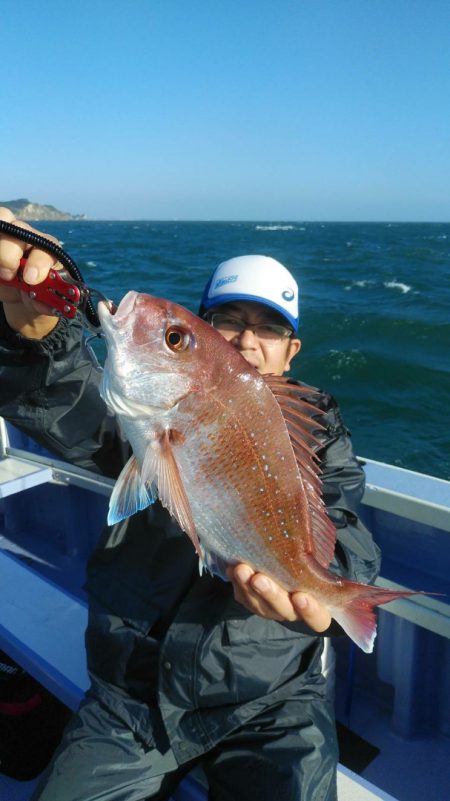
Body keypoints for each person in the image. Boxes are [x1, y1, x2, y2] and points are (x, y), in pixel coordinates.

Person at [0, 207, 380, 801]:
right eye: (225, 321)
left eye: (269, 327)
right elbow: (73, 409)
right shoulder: (140, 417)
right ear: (207, 335)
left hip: (273, 701)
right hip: (132, 697)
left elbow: (346, 526)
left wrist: (332, 590)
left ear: (293, 349)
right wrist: (32, 342)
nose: (248, 341)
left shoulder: (321, 434)